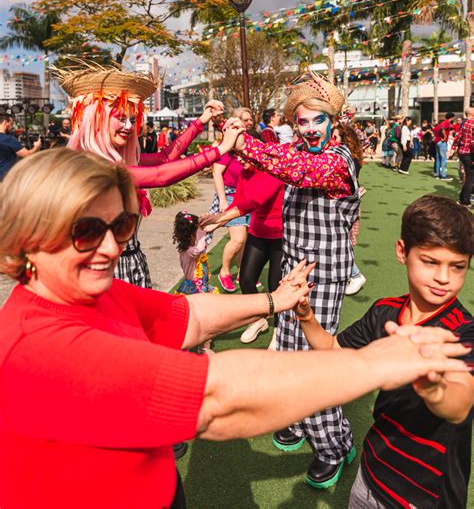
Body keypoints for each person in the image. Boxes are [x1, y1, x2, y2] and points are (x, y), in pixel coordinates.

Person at [0, 150, 470, 509]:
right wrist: (377, 362)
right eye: (85, 231)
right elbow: (218, 399)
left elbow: (190, 316)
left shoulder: (92, 293)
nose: (109, 248)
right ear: (27, 239)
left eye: (121, 226)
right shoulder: (38, 345)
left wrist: (275, 301)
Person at [228, 71, 363, 489]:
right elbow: (264, 167)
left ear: (332, 123)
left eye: (316, 121)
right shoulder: (295, 151)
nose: (308, 129)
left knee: (313, 364)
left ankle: (335, 444)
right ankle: (302, 422)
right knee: (288, 351)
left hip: (323, 275)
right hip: (293, 270)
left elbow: (297, 168)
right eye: (301, 122)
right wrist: (226, 128)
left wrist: (243, 141)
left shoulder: (338, 160)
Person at [294, 194, 473, 509]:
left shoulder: (463, 330)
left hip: (425, 496)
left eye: (457, 266)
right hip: (371, 474)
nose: (444, 278)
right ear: (402, 252)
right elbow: (333, 349)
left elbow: (460, 403)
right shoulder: (384, 312)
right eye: (431, 262)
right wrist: (305, 314)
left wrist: (432, 387)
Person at [54, 63, 236, 288]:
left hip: (131, 261)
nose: (130, 127)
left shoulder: (115, 162)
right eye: (121, 118)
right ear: (96, 118)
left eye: (132, 119)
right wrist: (219, 150)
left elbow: (163, 159)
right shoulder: (95, 168)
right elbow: (160, 176)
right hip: (104, 269)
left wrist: (200, 121)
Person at [200, 164, 284, 345]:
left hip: (279, 235)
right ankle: (258, 319)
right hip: (257, 233)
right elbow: (239, 201)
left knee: (275, 285)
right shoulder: (245, 173)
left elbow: (254, 201)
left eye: (242, 154)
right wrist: (215, 224)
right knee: (246, 279)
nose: (238, 159)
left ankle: (280, 330)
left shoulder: (274, 170)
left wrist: (219, 219)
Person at [207, 107, 256, 293]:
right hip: (230, 195)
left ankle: (243, 273)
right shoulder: (228, 147)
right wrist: (222, 200)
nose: (249, 122)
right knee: (238, 238)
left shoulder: (249, 144)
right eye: (245, 119)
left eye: (250, 119)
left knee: (244, 240)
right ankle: (225, 272)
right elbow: (217, 172)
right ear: (235, 122)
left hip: (247, 196)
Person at [333, 122, 367, 295]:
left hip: (346, 204)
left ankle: (355, 274)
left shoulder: (346, 158)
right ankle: (349, 273)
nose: (332, 141)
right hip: (348, 202)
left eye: (335, 137)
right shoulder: (352, 155)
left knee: (340, 241)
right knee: (342, 240)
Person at [173, 211, 218, 296]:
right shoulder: (190, 251)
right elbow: (200, 248)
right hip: (195, 286)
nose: (198, 235)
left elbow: (203, 245)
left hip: (201, 284)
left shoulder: (190, 247)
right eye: (196, 233)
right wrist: (202, 230)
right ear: (192, 236)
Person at [0, 113, 41, 180]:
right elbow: (28, 155)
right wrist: (36, 146)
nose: (12, 126)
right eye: (11, 124)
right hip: (5, 178)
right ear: (5, 122)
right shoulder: (8, 139)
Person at [449, 107, 474, 208]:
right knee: (470, 178)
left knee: (468, 176)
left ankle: (463, 198)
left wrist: (452, 148)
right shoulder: (472, 123)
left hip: (463, 152)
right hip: (470, 153)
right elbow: (473, 142)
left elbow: (458, 137)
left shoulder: (464, 124)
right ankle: (465, 201)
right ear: (472, 113)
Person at [433, 111, 455, 181]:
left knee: (438, 159)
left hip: (437, 142)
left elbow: (435, 130)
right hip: (442, 142)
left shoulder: (441, 122)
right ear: (451, 118)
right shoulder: (447, 122)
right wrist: (445, 136)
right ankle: (443, 176)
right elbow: (443, 128)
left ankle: (438, 175)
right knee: (443, 159)